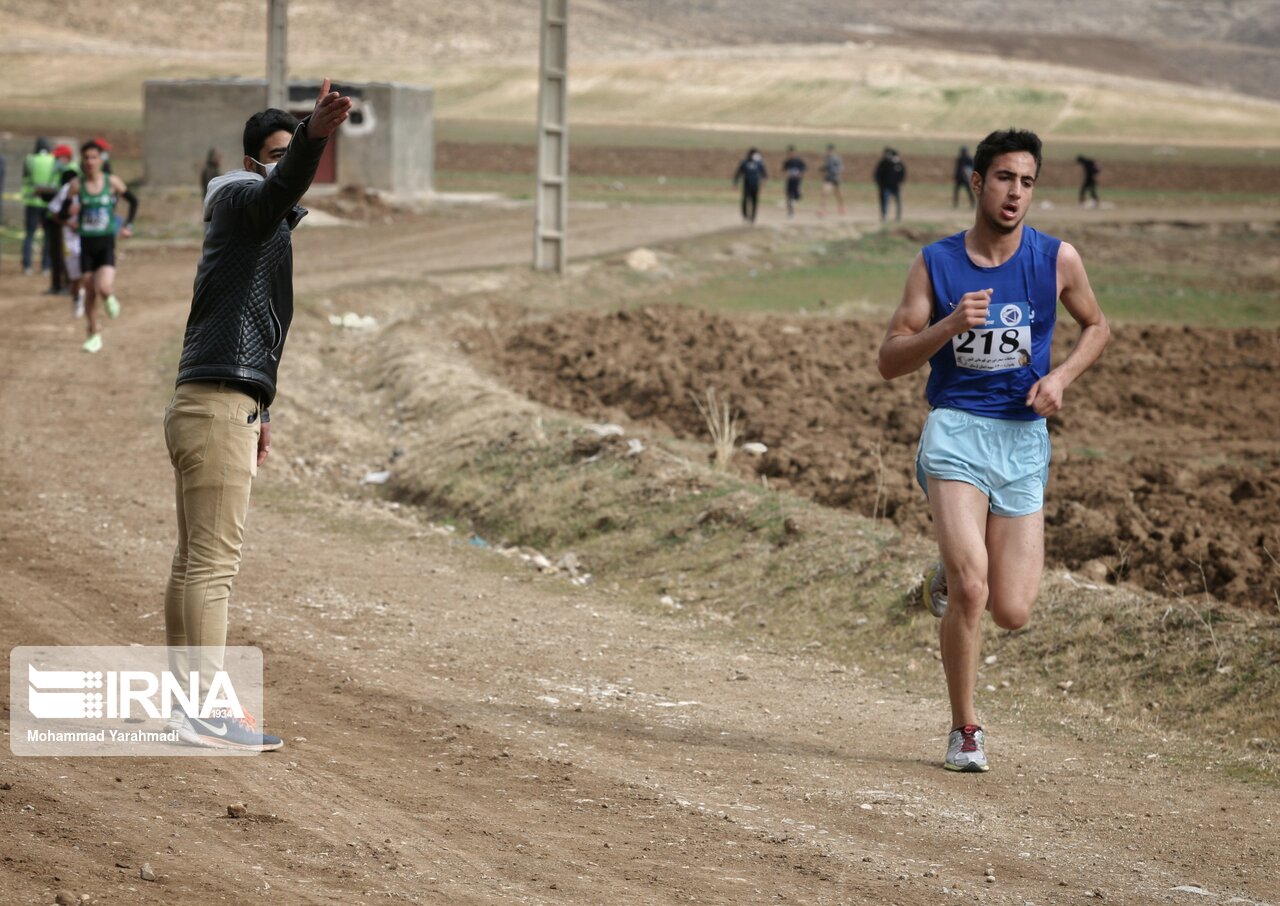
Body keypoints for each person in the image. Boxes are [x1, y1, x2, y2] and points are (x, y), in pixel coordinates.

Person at [877, 128, 1110, 773]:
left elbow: (1098, 325)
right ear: (977, 183)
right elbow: (889, 360)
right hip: (955, 430)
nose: (1015, 193)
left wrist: (1060, 378)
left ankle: (944, 582)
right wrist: (949, 325)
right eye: (1004, 178)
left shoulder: (1057, 259)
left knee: (1012, 609)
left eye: (1027, 181)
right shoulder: (935, 262)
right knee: (974, 589)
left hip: (1022, 440)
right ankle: (965, 731)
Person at [163, 79, 351, 752]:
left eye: (289, 149)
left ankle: (186, 710)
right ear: (251, 163)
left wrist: (260, 408)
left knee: (192, 564)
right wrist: (314, 136)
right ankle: (207, 714)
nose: (283, 162)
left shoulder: (248, 220)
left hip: (211, 401)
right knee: (212, 566)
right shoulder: (242, 197)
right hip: (215, 407)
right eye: (273, 152)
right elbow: (279, 189)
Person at [63, 140, 138, 353]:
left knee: (104, 287)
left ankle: (110, 299)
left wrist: (128, 225)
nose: (89, 162)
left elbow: (133, 201)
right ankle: (93, 333)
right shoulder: (76, 185)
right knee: (89, 292)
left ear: (101, 159)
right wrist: (70, 217)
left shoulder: (111, 182)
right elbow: (62, 212)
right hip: (86, 245)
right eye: (86, 158)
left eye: (93, 157)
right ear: (82, 161)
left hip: (105, 244)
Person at [48, 168, 89, 319]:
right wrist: (68, 223)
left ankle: (85, 294)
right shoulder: (65, 191)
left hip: (89, 235)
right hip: (70, 238)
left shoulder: (93, 187)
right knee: (74, 272)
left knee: (88, 269)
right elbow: (54, 212)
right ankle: (77, 295)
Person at [21, 137, 59, 275]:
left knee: (29, 234)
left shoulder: (30, 159)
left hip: (32, 201)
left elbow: (25, 177)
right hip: (49, 202)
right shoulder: (53, 160)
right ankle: (46, 267)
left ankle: (27, 265)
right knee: (48, 235)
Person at [43, 144, 76, 296]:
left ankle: (67, 285)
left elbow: (64, 197)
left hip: (64, 221)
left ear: (67, 157)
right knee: (57, 254)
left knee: (64, 254)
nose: (56, 159)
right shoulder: (61, 170)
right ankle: (59, 285)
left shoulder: (70, 171)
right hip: (56, 217)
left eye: (59, 157)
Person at [733, 147, 767, 223]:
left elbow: (764, 172)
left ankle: (753, 218)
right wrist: (736, 182)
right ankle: (745, 215)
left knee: (754, 201)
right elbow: (738, 172)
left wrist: (764, 181)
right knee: (745, 200)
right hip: (747, 185)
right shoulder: (745, 162)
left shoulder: (759, 163)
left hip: (755, 185)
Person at [874, 147, 907, 222]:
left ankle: (898, 217)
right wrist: (880, 184)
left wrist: (901, 182)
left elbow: (903, 174)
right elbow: (878, 174)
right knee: (885, 202)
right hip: (886, 187)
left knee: (898, 202)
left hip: (896, 187)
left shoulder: (899, 164)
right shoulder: (883, 163)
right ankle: (884, 217)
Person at [818, 143, 845, 216]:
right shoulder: (826, 158)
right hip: (828, 178)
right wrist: (822, 168)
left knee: (838, 194)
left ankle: (841, 206)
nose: (829, 151)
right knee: (824, 193)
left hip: (835, 178)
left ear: (833, 150)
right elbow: (827, 167)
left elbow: (841, 167)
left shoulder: (836, 158)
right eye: (828, 150)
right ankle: (823, 210)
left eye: (830, 150)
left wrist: (836, 172)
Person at [781, 145, 806, 218]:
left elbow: (803, 170)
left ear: (794, 153)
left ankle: (795, 201)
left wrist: (800, 176)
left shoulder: (799, 161)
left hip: (797, 181)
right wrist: (787, 174)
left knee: (796, 196)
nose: (790, 155)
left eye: (792, 153)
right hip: (790, 180)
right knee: (788, 196)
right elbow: (784, 170)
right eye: (789, 153)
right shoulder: (787, 162)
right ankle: (790, 212)